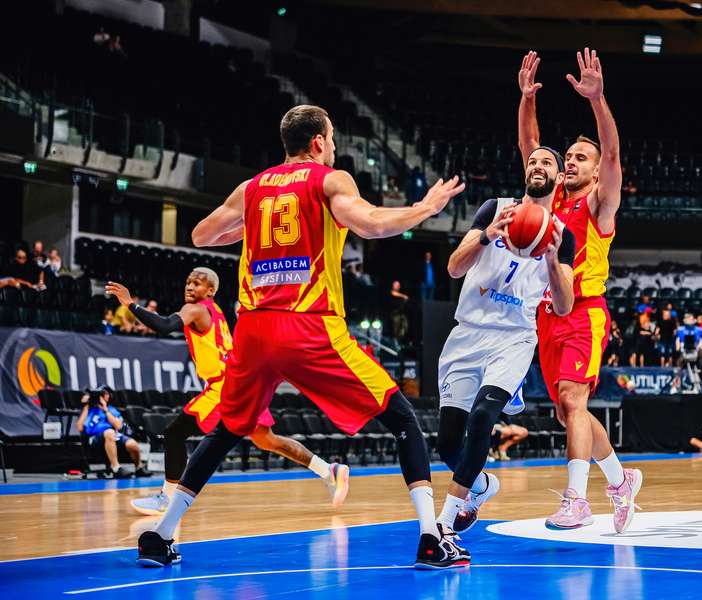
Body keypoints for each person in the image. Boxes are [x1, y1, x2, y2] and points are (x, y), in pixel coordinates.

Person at [137, 105, 469, 570]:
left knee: (228, 430)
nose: (333, 147)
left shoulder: (252, 187)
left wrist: (255, 228)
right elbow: (373, 224)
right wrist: (426, 208)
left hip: (253, 329)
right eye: (331, 139)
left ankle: (161, 533)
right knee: (402, 418)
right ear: (317, 142)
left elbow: (202, 234)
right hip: (307, 324)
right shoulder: (330, 180)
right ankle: (432, 538)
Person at [518, 49, 642, 532]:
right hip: (546, 314)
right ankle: (620, 479)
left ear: (595, 172)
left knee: (572, 399)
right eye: (567, 155)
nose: (569, 161)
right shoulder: (547, 198)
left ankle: (577, 499)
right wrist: (527, 99)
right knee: (571, 411)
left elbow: (611, 153)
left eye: (579, 157)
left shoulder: (599, 205)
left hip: (584, 313)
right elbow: (532, 149)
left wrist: (598, 98)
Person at [105, 273, 348, 516]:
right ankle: (328, 470)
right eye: (188, 281)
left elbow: (166, 325)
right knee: (267, 440)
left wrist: (129, 303)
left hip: (224, 386)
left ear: (210, 291)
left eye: (197, 283)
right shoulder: (215, 310)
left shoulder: (195, 309)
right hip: (242, 381)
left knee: (174, 434)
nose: (189, 286)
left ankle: (166, 499)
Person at [436, 146, 576, 535]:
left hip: (513, 338)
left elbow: (564, 307)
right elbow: (452, 267)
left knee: (483, 417)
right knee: (448, 444)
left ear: (559, 178)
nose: (537, 166)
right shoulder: (494, 208)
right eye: (533, 161)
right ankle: (481, 486)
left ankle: (446, 522)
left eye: (547, 162)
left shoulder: (563, 236)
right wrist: (486, 235)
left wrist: (550, 261)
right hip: (467, 333)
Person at [76, 385, 150, 478]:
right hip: (94, 438)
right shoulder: (88, 410)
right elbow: (80, 428)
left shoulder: (111, 409)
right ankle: (116, 468)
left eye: (105, 393)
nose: (104, 396)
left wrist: (105, 409)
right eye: (102, 394)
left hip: (112, 436)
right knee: (109, 432)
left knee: (133, 444)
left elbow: (118, 426)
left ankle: (139, 467)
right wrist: (86, 406)